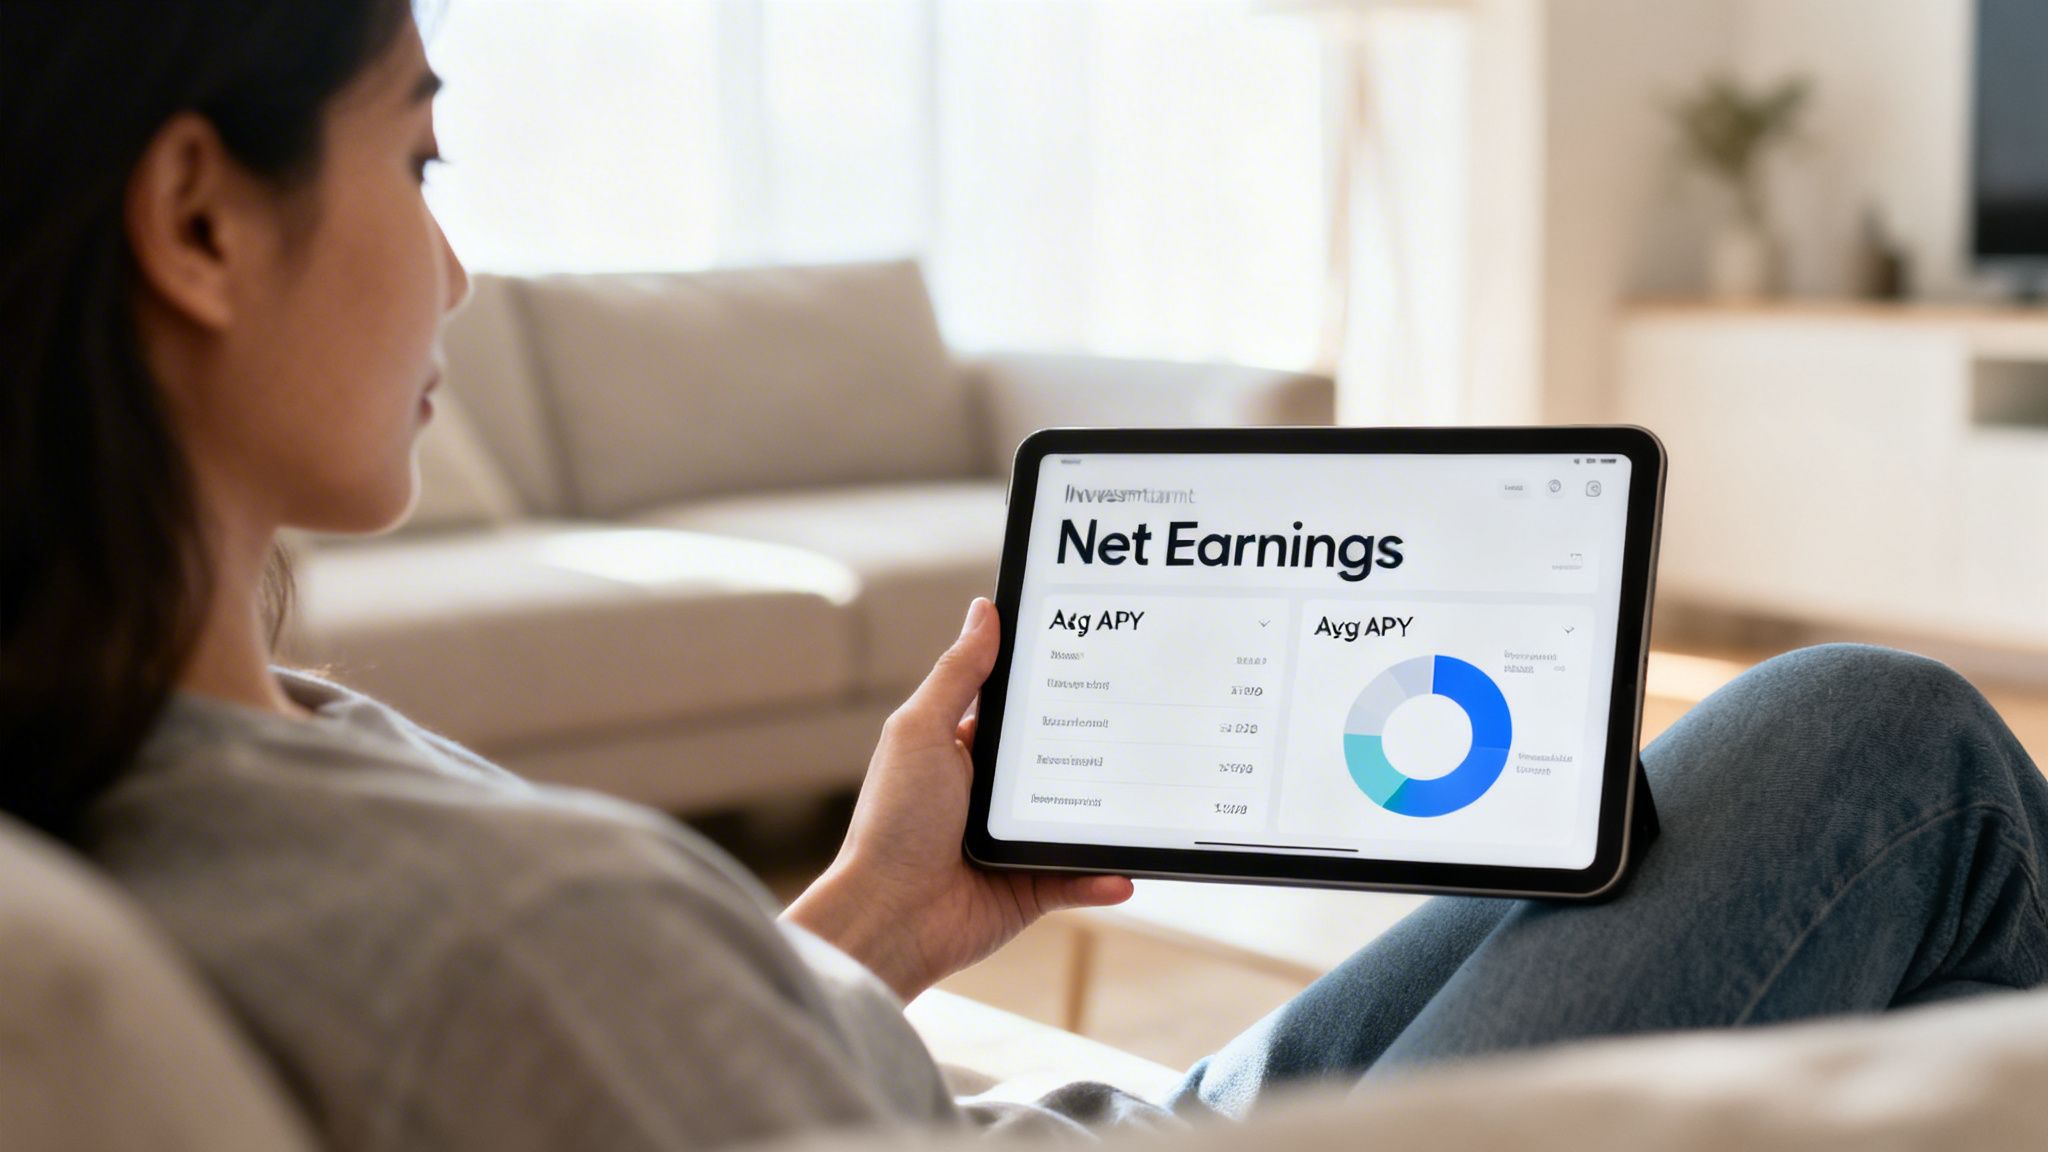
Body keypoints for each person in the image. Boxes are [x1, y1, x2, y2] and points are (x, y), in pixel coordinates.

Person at [4, 2, 2044, 1149]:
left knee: (1652, 814)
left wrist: (873, 915)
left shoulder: (158, 771)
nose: (450, 261)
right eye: (421, 158)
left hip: (1082, 1109)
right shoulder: (485, 931)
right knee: (1892, 750)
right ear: (197, 220)